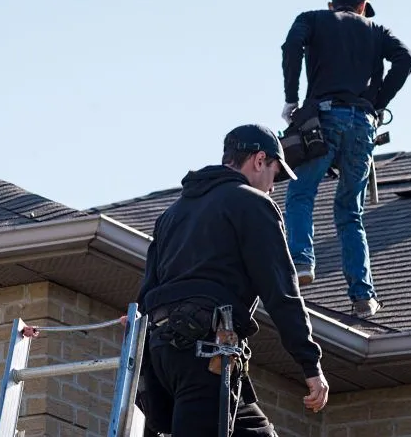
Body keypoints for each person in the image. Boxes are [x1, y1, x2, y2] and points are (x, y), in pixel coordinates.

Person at [134, 123, 330, 436]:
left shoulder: (171, 214)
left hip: (163, 354)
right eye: (275, 174)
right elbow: (282, 294)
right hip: (205, 352)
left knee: (253, 431)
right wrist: (310, 365)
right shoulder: (252, 204)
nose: (273, 187)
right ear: (259, 160)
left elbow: (146, 293)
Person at [279, 0, 411, 319]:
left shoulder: (312, 19)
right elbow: (406, 59)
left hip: (323, 119)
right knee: (349, 212)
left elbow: (291, 46)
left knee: (301, 193)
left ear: (332, 4)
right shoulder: (376, 31)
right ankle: (363, 297)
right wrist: (376, 101)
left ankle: (301, 262)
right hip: (362, 125)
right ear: (361, 7)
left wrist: (292, 98)